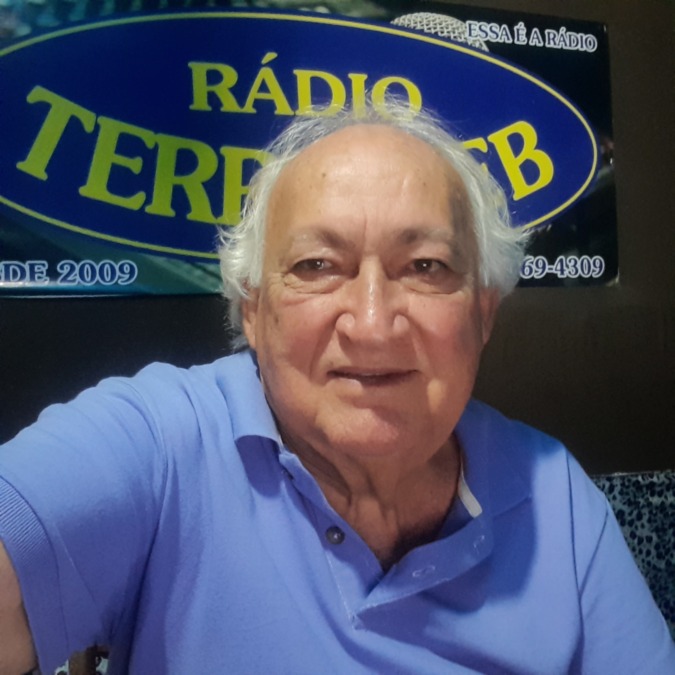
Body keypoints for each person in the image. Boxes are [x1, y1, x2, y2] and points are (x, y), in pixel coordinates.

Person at [1, 101, 673, 675]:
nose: (372, 324)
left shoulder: (555, 496)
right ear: (252, 310)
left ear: (482, 312)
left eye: (426, 266)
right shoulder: (158, 444)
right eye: (317, 265)